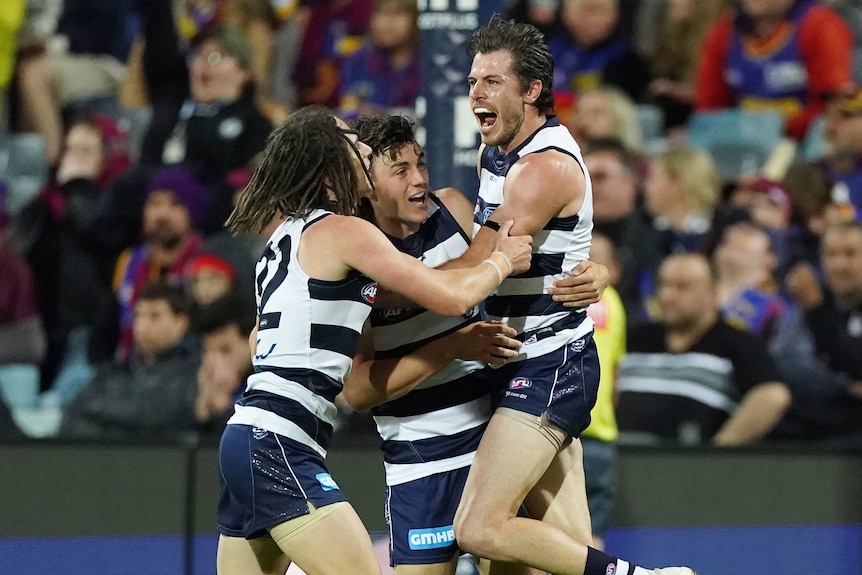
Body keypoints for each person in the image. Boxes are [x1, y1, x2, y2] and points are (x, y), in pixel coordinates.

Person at [214, 105, 533, 575]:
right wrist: (501, 260)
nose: (362, 146)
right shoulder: (345, 231)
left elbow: (260, 337)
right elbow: (448, 296)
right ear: (329, 167)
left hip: (245, 435)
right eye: (351, 142)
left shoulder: (284, 238)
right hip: (280, 443)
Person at [449, 15, 695, 575]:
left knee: (478, 527)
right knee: (557, 551)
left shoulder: (541, 169)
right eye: (472, 81)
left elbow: (469, 273)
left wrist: (374, 275)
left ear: (533, 91)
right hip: (524, 359)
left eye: (493, 82)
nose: (477, 94)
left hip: (548, 366)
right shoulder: (499, 153)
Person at [342, 114, 609, 574]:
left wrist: (594, 272)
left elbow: (531, 253)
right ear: (368, 185)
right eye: (400, 170)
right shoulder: (355, 256)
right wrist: (453, 346)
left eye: (421, 163)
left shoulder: (455, 210)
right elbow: (359, 390)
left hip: (495, 438)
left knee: (554, 551)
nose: (420, 178)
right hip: (420, 458)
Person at [615, 253, 791, 446]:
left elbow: (772, 395)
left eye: (682, 287)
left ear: (712, 292)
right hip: (621, 457)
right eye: (663, 285)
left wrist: (715, 453)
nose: (667, 296)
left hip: (688, 467)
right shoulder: (636, 338)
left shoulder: (736, 343)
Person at [59, 281, 201, 440]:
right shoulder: (112, 373)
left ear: (180, 323)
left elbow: (161, 422)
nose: (142, 326)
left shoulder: (195, 375)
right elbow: (70, 420)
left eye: (155, 316)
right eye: (138, 315)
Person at [694, 0, 854, 140]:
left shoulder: (821, 27)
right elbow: (709, 110)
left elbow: (832, 108)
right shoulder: (724, 32)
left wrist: (769, 127)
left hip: (805, 145)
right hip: (741, 143)